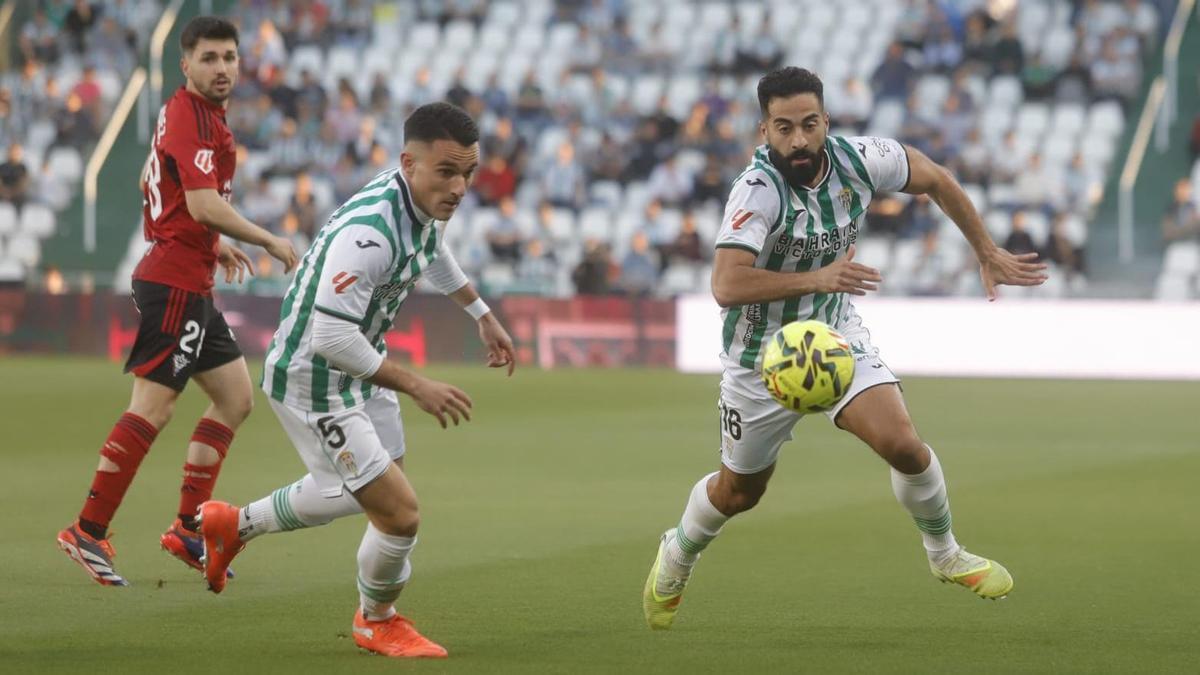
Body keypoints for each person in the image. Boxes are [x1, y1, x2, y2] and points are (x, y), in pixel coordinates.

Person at [642, 67, 1047, 630]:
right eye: (784, 128)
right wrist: (819, 277)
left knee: (905, 445)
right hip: (759, 360)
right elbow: (726, 285)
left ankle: (944, 553)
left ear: (826, 121)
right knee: (739, 493)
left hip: (833, 339)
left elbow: (933, 177)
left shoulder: (860, 158)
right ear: (765, 131)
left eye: (809, 124)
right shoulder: (756, 192)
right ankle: (680, 549)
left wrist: (985, 249)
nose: (799, 140)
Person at [196, 102, 516, 659]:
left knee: (362, 495)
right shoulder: (370, 233)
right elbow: (328, 338)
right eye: (447, 172)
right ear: (408, 163)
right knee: (398, 512)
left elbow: (433, 250)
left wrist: (482, 313)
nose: (460, 187)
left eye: (468, 172)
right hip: (314, 376)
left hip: (360, 365)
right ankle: (376, 620)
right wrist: (416, 384)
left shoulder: (419, 205)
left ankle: (233, 525)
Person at [55, 16, 297, 587]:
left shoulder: (196, 115)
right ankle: (87, 530)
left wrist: (213, 250)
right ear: (185, 64)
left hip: (191, 277)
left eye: (230, 58)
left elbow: (169, 197)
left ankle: (189, 528)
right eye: (209, 58)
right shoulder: (190, 116)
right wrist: (260, 238)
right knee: (153, 407)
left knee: (236, 398)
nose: (222, 68)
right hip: (174, 286)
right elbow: (202, 203)